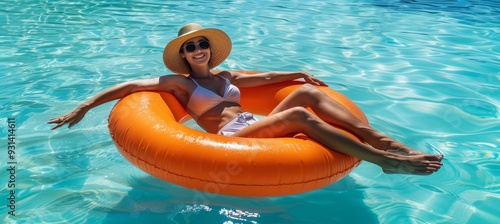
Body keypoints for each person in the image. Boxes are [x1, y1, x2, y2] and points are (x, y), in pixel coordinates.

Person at [49, 23, 443, 175]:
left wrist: (298, 73)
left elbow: (270, 77)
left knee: (305, 94)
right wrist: (84, 106)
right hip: (230, 138)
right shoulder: (180, 84)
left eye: (202, 44)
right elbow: (128, 86)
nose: (198, 50)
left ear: (209, 49)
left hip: (253, 126)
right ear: (183, 54)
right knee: (302, 118)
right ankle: (384, 161)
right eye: (191, 47)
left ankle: (384, 142)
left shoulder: (227, 75)